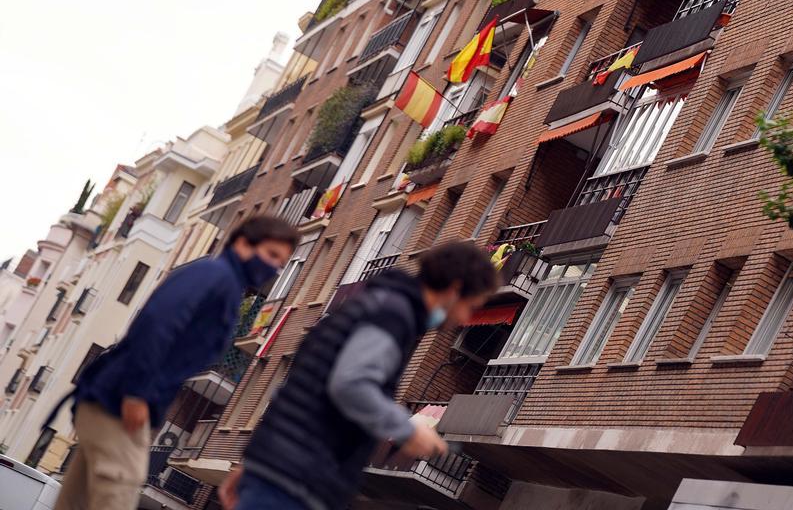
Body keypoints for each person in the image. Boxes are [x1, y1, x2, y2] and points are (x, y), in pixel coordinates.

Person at [219, 239, 499, 510]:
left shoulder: (371, 305)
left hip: (279, 466)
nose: (464, 318)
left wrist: (256, 462)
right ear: (454, 289)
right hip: (301, 477)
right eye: (470, 306)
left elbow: (301, 386)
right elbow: (351, 384)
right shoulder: (393, 316)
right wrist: (407, 429)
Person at [53, 216, 299, 510]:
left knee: (78, 501)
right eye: (271, 255)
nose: (273, 267)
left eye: (280, 263)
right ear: (244, 243)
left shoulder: (225, 286)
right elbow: (156, 323)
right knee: (119, 490)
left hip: (113, 396)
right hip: (119, 399)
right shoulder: (214, 276)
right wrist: (137, 393)